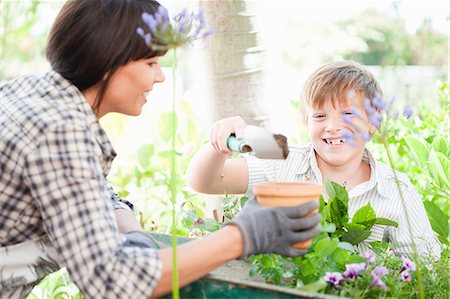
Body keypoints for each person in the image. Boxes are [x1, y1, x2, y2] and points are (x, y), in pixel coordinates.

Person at [0, 1, 322, 298]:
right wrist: (243, 235)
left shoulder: (31, 92)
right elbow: (112, 283)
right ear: (108, 60)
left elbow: (75, 187)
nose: (161, 77)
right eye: (151, 62)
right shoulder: (61, 131)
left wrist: (123, 220)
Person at [187, 61, 441, 260]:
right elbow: (206, 182)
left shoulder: (396, 190)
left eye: (348, 114)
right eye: (320, 116)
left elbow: (426, 268)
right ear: (305, 122)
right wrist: (217, 147)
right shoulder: (283, 162)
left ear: (374, 122)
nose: (333, 126)